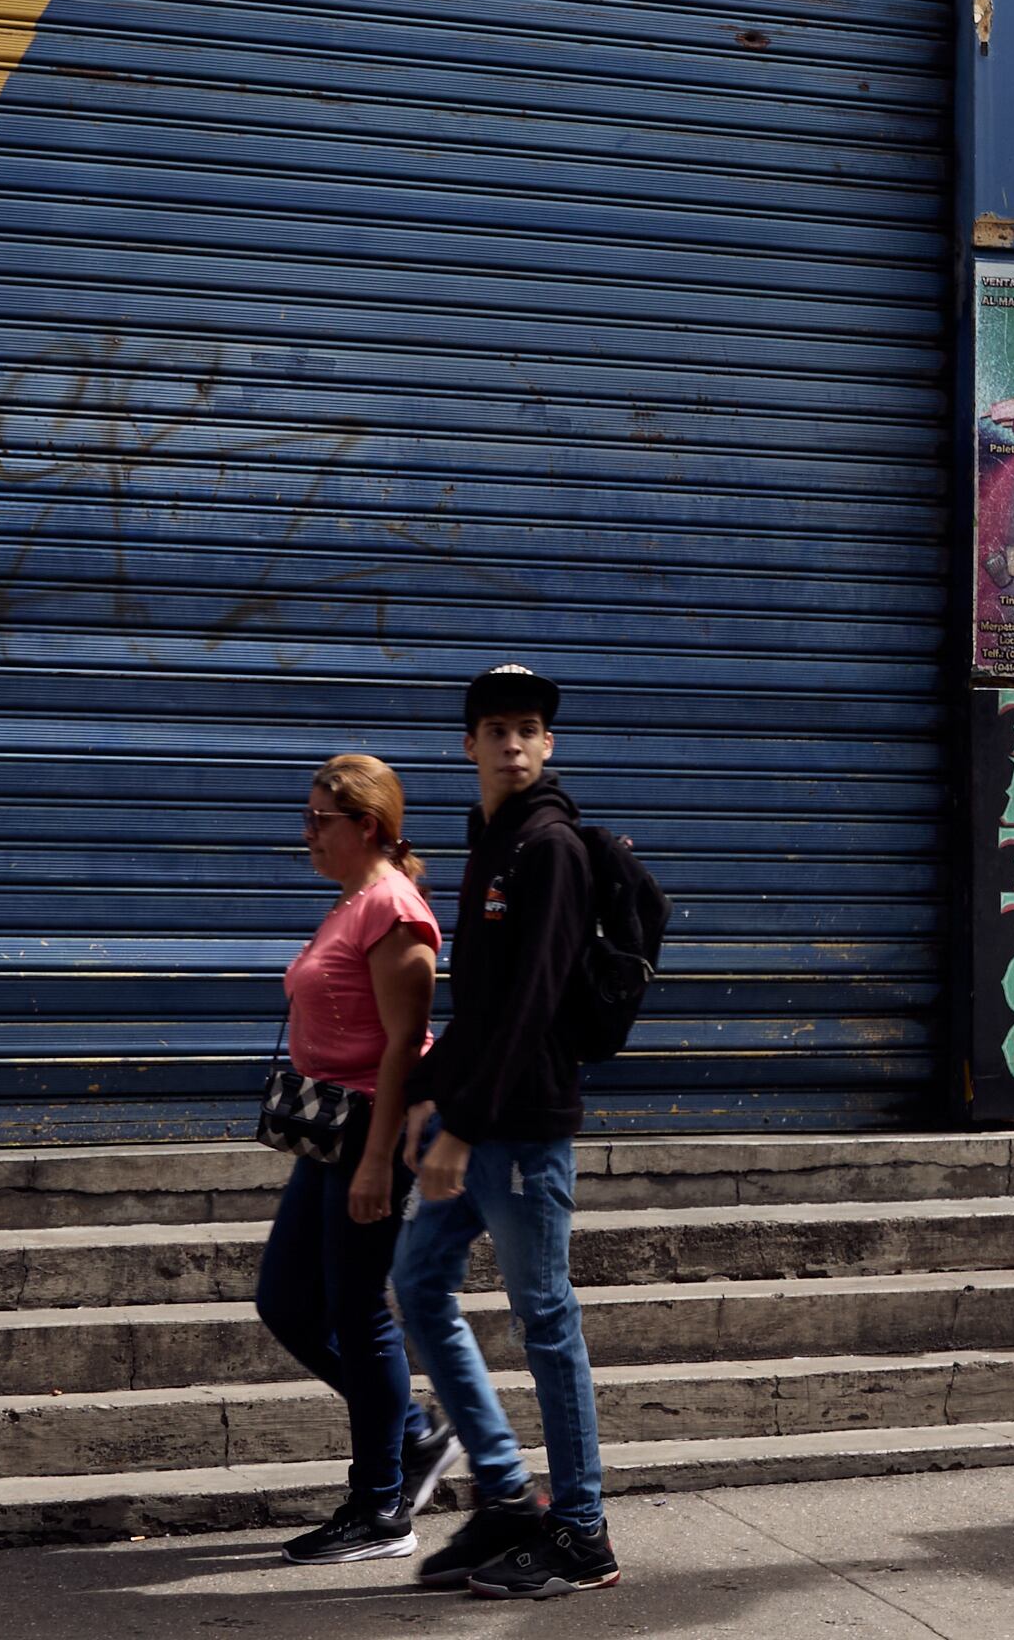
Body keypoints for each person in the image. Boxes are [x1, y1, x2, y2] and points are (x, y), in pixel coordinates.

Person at [390, 662, 617, 1598]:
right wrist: (423, 1094)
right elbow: (478, 1005)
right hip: (473, 1118)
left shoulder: (549, 847)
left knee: (547, 1319)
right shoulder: (490, 840)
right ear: (470, 743)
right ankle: (506, 1496)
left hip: (518, 1132)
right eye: (497, 730)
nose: (514, 745)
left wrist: (461, 1128)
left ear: (548, 744)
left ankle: (582, 1532)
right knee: (416, 1281)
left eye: (529, 730)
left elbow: (531, 1007)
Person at [260, 753, 457, 1565]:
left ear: (367, 826)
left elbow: (405, 1052)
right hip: (335, 1133)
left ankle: (380, 1508)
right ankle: (411, 1436)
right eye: (306, 815)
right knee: (286, 1301)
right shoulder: (350, 902)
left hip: (375, 1136)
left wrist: (378, 1164)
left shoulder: (393, 913)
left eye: (321, 819)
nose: (307, 832)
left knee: (357, 1311)